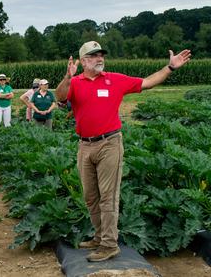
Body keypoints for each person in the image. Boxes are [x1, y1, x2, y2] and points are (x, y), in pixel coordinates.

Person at [55, 41, 191, 262]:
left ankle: (109, 245)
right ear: (83, 61)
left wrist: (171, 67)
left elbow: (147, 82)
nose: (99, 58)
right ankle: (100, 237)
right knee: (90, 197)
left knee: (108, 196)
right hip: (84, 145)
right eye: (93, 55)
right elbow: (60, 97)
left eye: (101, 55)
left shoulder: (115, 80)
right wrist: (68, 77)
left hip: (110, 144)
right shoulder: (75, 82)